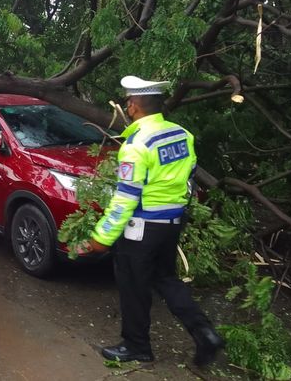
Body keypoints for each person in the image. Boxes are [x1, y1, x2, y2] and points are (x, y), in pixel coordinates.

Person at [78, 76, 224, 366]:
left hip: (141, 229)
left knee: (133, 286)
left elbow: (125, 199)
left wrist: (101, 238)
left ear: (132, 106)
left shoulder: (135, 145)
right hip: (171, 224)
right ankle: (205, 333)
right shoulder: (181, 134)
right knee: (167, 280)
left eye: (127, 102)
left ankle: (137, 347)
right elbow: (190, 176)